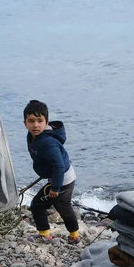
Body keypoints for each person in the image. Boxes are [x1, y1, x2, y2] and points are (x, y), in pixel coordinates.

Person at [23, 100, 80, 244]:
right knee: (63, 206)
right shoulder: (33, 137)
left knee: (38, 205)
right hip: (59, 177)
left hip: (61, 179)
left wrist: (55, 187)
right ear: (25, 123)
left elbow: (59, 166)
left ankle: (47, 235)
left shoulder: (48, 143)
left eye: (40, 121)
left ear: (46, 122)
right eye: (31, 121)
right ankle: (73, 236)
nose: (35, 125)